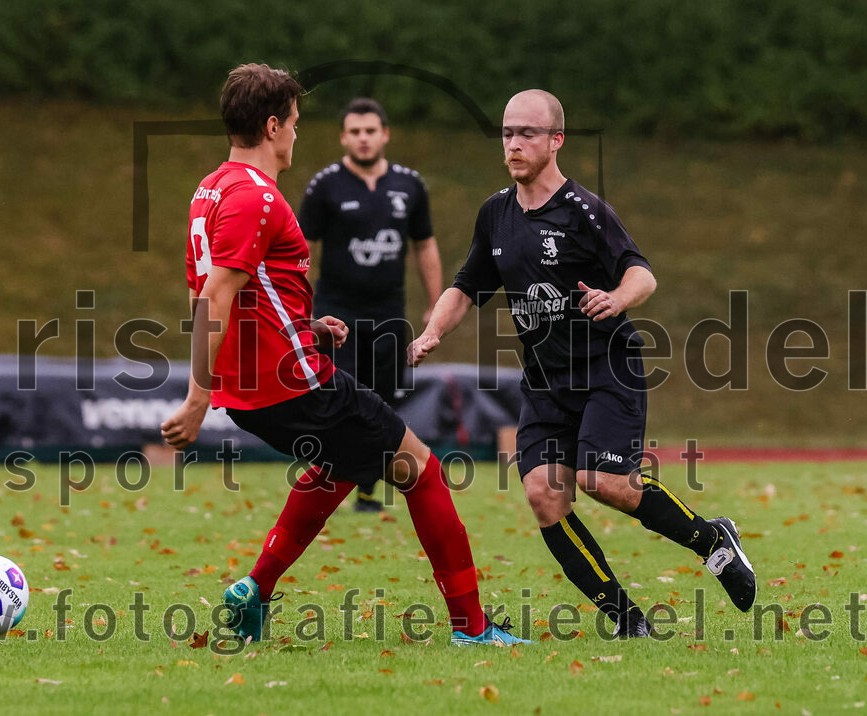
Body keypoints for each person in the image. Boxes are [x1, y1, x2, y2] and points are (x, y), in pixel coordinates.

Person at [160, 63, 525, 647]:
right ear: (274, 125)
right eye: (296, 123)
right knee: (423, 473)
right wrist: (195, 398)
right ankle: (473, 629)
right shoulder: (257, 198)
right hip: (295, 385)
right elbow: (214, 296)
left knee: (340, 466)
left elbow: (231, 289)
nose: (298, 134)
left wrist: (303, 324)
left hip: (253, 389)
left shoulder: (211, 189)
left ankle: (255, 591)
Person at [408, 89, 757, 637]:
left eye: (527, 133)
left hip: (607, 368)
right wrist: (431, 331)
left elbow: (642, 273)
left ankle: (713, 540)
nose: (514, 144)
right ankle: (627, 621)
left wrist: (617, 298)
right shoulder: (495, 214)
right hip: (546, 382)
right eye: (506, 133)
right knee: (544, 495)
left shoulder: (586, 211)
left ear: (556, 141)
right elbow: (466, 287)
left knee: (603, 481)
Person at [299, 98, 443, 512]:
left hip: (388, 313)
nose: (363, 139)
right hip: (336, 313)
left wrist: (434, 303)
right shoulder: (324, 185)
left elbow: (425, 245)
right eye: (355, 132)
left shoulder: (410, 185)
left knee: (383, 400)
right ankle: (335, 478)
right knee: (342, 397)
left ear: (385, 134)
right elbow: (301, 249)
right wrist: (301, 309)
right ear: (344, 137)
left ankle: (366, 488)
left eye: (370, 131)